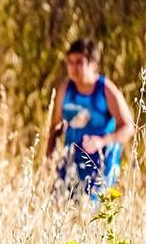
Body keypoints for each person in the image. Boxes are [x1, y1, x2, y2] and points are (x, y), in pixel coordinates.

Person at [46, 38, 135, 198]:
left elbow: (128, 127)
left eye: (79, 61)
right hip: (71, 158)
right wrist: (49, 155)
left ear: (93, 64)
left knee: (91, 213)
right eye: (70, 62)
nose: (74, 67)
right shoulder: (65, 89)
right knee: (59, 206)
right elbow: (56, 126)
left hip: (101, 162)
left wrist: (102, 141)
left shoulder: (106, 90)